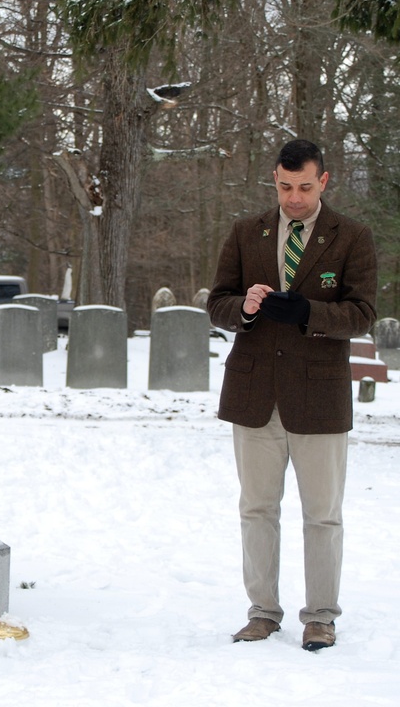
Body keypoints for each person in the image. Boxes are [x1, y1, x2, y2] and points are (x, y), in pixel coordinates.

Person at [207, 139, 377, 652]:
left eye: (304, 187)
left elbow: (364, 312)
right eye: (285, 187)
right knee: (257, 508)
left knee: (322, 513)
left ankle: (320, 615)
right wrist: (248, 308)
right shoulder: (246, 233)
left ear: (324, 180)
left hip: (319, 396)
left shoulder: (351, 237)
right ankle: (262, 611)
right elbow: (218, 304)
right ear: (274, 180)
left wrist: (308, 313)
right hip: (255, 393)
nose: (294, 198)